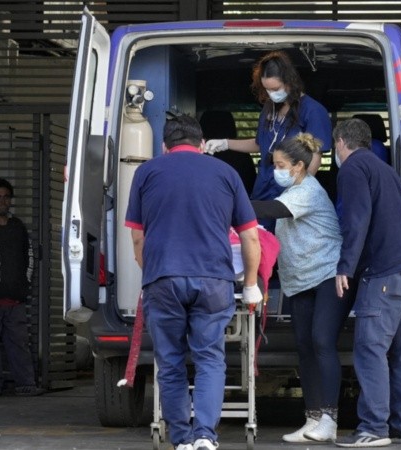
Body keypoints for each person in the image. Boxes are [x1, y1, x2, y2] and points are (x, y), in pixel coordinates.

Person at [125, 113, 262, 450]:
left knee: (170, 362)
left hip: (163, 279)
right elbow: (250, 238)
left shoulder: (146, 172)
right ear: (202, 145)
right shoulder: (226, 173)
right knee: (210, 358)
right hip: (214, 280)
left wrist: (151, 274)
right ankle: (205, 436)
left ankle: (182, 440)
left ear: (163, 146)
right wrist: (251, 284)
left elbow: (138, 239)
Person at [332, 119, 401, 448]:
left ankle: (373, 428)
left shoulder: (353, 168)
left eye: (335, 147)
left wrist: (345, 266)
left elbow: (356, 219)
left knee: (370, 348)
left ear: (341, 142)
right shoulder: (383, 167)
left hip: (386, 269)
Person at [250, 133, 349, 443]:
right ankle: (313, 419)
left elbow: (272, 210)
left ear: (299, 166)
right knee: (304, 348)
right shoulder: (294, 188)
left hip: (326, 275)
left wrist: (230, 201)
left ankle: (330, 420)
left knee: (321, 342)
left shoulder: (307, 191)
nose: (275, 170)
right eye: (274, 165)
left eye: (281, 165)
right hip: (299, 280)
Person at [204, 50, 332, 229]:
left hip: (290, 193)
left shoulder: (313, 111)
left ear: (290, 82)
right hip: (263, 188)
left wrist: (299, 192)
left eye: (275, 89)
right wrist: (225, 143)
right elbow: (260, 144)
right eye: (267, 89)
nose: (271, 94)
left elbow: (315, 157)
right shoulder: (268, 109)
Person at [0, 177, 44, 397]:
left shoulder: (17, 227)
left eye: (6, 197)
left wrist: (25, 285)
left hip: (15, 299)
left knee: (19, 344)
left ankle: (26, 384)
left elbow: (29, 257)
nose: (2, 201)